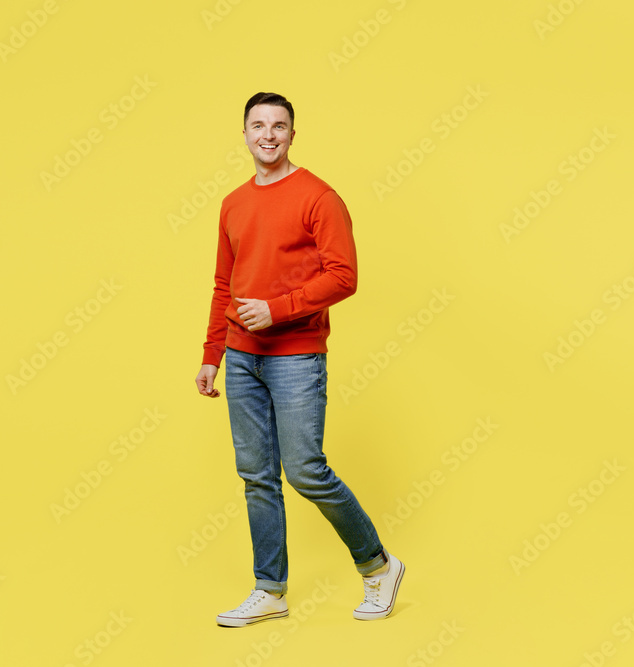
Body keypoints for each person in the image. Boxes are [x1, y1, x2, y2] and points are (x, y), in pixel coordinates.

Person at [195, 92, 404, 627]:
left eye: (279, 126)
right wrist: (212, 354)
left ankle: (378, 567)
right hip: (240, 357)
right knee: (257, 476)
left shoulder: (319, 197)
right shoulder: (233, 203)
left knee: (306, 471)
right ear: (243, 133)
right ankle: (271, 590)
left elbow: (344, 275)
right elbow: (225, 284)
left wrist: (278, 309)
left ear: (293, 133)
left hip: (295, 356)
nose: (268, 134)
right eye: (258, 125)